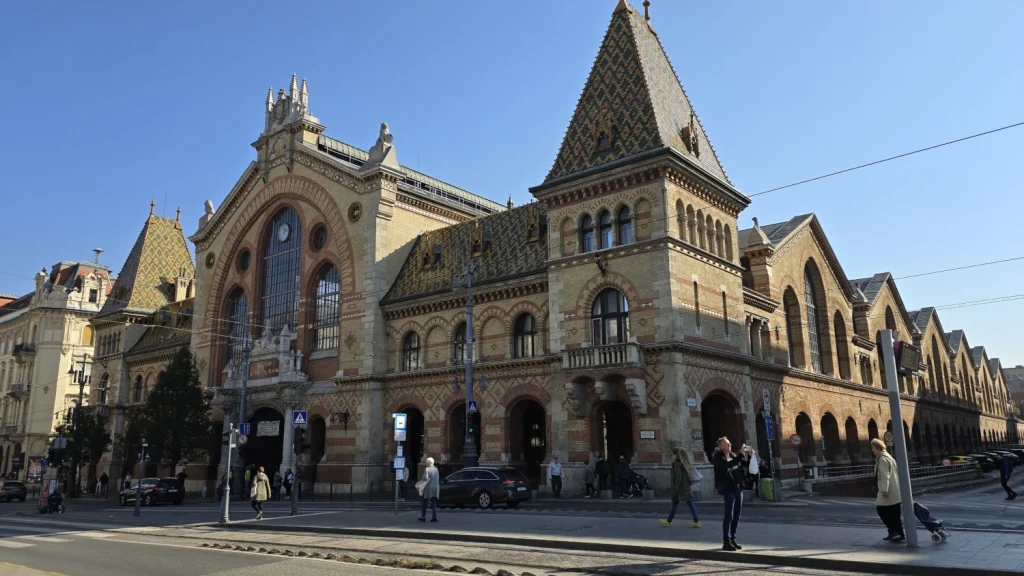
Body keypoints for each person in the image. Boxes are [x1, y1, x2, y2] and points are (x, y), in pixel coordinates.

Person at [713, 436, 752, 551]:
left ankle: (733, 539)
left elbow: (743, 465)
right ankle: (726, 540)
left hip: (738, 488)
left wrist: (749, 456)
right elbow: (727, 466)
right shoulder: (718, 457)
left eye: (729, 443)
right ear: (720, 446)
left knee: (737, 515)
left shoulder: (733, 455)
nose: (729, 445)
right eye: (726, 444)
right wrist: (740, 455)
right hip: (728, 489)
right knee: (728, 515)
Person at [871, 438, 905, 543]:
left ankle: (893, 531)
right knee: (895, 513)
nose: (872, 451)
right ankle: (899, 534)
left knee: (881, 509)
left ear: (877, 448)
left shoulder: (882, 459)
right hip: (895, 489)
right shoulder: (889, 457)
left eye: (873, 448)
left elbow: (884, 475)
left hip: (887, 490)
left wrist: (884, 490)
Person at [661, 448, 700, 528]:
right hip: (686, 486)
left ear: (676, 455)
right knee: (686, 503)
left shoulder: (676, 464)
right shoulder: (685, 463)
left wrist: (676, 485)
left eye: (673, 454)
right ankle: (669, 520)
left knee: (679, 503)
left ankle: (696, 521)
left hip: (679, 487)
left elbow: (678, 476)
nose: (672, 456)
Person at [418, 457, 440, 523]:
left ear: (427, 463)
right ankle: (434, 517)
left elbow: (426, 478)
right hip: (436, 487)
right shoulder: (436, 469)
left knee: (424, 502)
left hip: (428, 488)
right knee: (434, 503)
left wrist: (422, 476)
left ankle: (423, 517)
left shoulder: (427, 469)